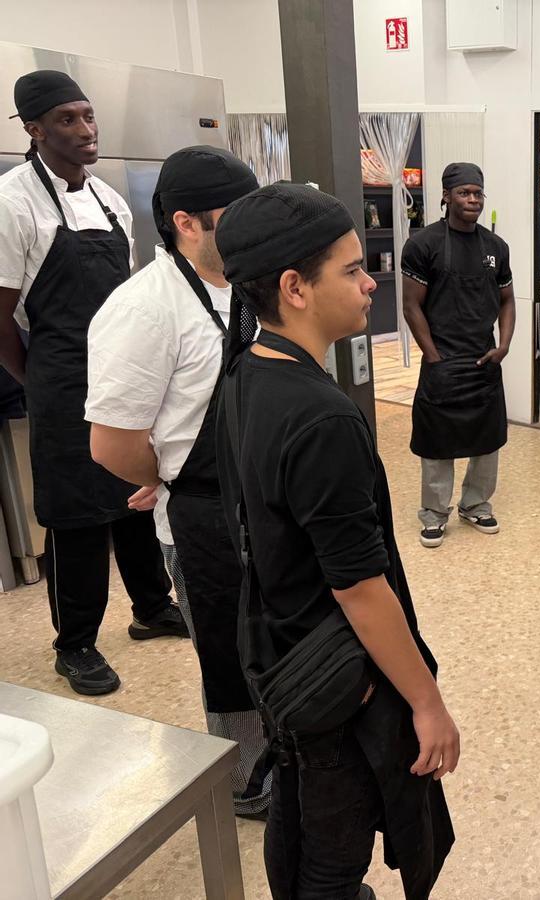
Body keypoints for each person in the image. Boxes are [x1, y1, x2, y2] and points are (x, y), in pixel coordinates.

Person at [214, 183, 457, 899]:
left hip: (281, 652)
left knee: (302, 814)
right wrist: (426, 703)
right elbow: (360, 587)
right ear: (294, 287)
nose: (370, 279)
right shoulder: (321, 419)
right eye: (351, 270)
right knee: (334, 848)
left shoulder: (245, 374)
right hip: (333, 683)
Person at [84, 146, 270, 818]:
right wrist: (168, 479)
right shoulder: (143, 309)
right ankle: (247, 781)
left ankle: (281, 752)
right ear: (187, 222)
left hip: (261, 504)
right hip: (201, 523)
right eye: (237, 215)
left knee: (273, 643)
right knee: (231, 655)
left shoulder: (245, 284)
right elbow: (110, 443)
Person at [0, 69, 184, 696]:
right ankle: (74, 643)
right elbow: (1, 318)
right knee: (76, 516)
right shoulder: (13, 200)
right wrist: (41, 383)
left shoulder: (107, 199)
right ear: (34, 129)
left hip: (119, 368)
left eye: (88, 116)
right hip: (58, 374)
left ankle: (151, 608)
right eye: (67, 120)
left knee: (135, 491)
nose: (86, 130)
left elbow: (127, 300)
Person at [401, 162, 515, 549]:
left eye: (478, 193)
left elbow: (507, 299)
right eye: (464, 193)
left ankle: (476, 504)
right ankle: (434, 514)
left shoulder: (495, 248)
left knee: (487, 439)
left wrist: (504, 344)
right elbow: (411, 306)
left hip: (484, 360)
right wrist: (432, 356)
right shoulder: (423, 245)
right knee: (437, 440)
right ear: (446, 196)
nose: (472, 200)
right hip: (442, 361)